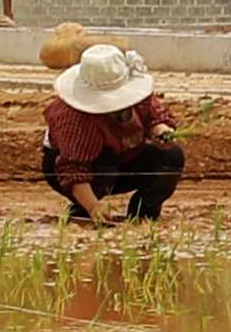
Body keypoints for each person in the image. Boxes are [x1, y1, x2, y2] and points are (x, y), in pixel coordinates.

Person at [42, 39, 183, 221]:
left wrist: (161, 132)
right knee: (104, 163)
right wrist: (93, 206)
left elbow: (153, 116)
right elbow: (73, 169)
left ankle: (143, 214)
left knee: (170, 157)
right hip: (76, 168)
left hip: (123, 156)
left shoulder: (138, 97)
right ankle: (83, 210)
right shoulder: (74, 117)